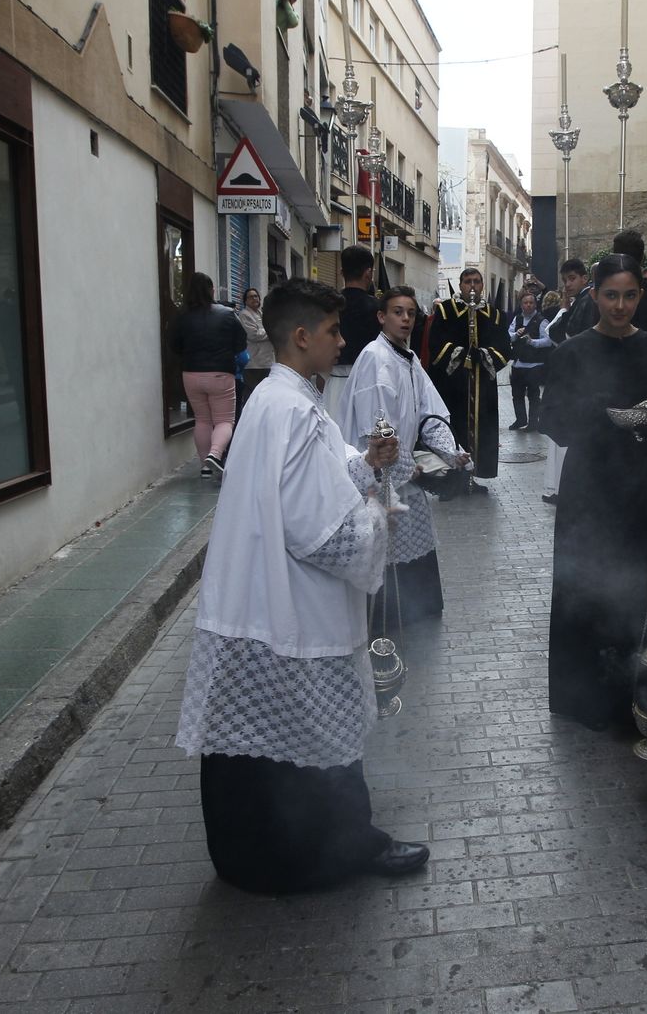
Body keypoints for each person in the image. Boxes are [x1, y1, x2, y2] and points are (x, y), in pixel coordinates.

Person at [176, 278, 428, 893]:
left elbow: (321, 474)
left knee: (263, 741)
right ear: (301, 336)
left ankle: (252, 855)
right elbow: (325, 534)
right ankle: (335, 850)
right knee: (314, 733)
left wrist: (365, 464)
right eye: (334, 331)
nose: (342, 342)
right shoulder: (291, 408)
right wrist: (378, 519)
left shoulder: (276, 398)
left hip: (257, 598)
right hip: (294, 604)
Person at [540, 253, 647, 730]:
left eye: (629, 296)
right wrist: (600, 414)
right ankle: (589, 698)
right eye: (611, 295)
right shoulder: (571, 353)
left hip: (646, 485)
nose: (620, 306)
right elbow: (553, 422)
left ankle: (644, 695)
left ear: (640, 296)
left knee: (642, 584)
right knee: (588, 584)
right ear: (594, 295)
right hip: (591, 488)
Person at [337, 286, 467, 628]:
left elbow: (430, 412)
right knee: (383, 540)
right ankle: (383, 619)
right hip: (377, 469)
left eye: (410, 313)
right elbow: (377, 430)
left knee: (411, 531)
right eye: (397, 312)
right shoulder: (375, 358)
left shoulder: (407, 358)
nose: (405, 319)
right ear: (382, 317)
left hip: (401, 465)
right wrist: (411, 469)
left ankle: (412, 610)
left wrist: (452, 453)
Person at [427, 268, 509, 495]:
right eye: (467, 281)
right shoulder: (445, 311)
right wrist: (462, 355)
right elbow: (436, 344)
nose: (472, 286)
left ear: (482, 285)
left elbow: (504, 348)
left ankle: (473, 476)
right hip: (453, 385)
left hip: (483, 386)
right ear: (460, 285)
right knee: (454, 428)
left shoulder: (494, 314)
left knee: (481, 430)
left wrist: (483, 355)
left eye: (476, 281)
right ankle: (451, 480)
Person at [168, 271, 246, 478]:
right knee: (224, 421)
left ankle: (205, 467)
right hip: (221, 373)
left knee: (202, 420)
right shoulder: (227, 314)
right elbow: (241, 343)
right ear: (211, 290)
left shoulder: (181, 316)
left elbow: (174, 345)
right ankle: (215, 454)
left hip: (191, 374)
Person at [542, 258, 588, 504]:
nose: (568, 284)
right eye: (565, 280)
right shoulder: (579, 302)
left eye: (572, 279)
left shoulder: (585, 302)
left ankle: (566, 489)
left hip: (577, 384)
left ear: (584, 278)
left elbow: (557, 332)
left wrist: (563, 309)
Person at [330, 245, 381, 419]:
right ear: (368, 273)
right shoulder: (378, 308)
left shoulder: (329, 305)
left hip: (333, 381)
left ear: (342, 272)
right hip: (369, 382)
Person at [507, 290, 552, 431]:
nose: (528, 305)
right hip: (518, 364)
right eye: (525, 303)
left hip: (534, 365)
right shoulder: (517, 319)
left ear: (535, 304)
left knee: (533, 396)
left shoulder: (542, 320)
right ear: (521, 305)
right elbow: (508, 336)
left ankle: (533, 422)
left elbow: (548, 341)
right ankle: (520, 420)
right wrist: (516, 334)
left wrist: (532, 342)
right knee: (517, 395)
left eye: (531, 302)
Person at [237, 286, 273, 404]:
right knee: (252, 395)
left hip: (266, 362)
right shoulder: (245, 315)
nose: (254, 299)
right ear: (245, 301)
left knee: (264, 395)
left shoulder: (261, 314)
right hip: (254, 363)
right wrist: (270, 331)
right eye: (251, 297)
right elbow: (253, 335)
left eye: (256, 296)